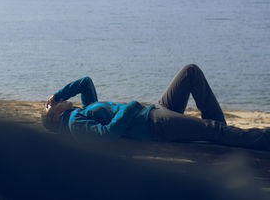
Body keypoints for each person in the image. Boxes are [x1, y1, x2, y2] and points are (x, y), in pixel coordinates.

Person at [42, 64, 270, 151]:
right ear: (54, 118)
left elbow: (86, 82)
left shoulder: (83, 111)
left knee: (191, 72)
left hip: (155, 111)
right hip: (155, 124)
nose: (54, 104)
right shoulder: (74, 123)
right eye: (51, 107)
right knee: (214, 131)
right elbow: (107, 134)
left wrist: (58, 94)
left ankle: (221, 134)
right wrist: (130, 106)